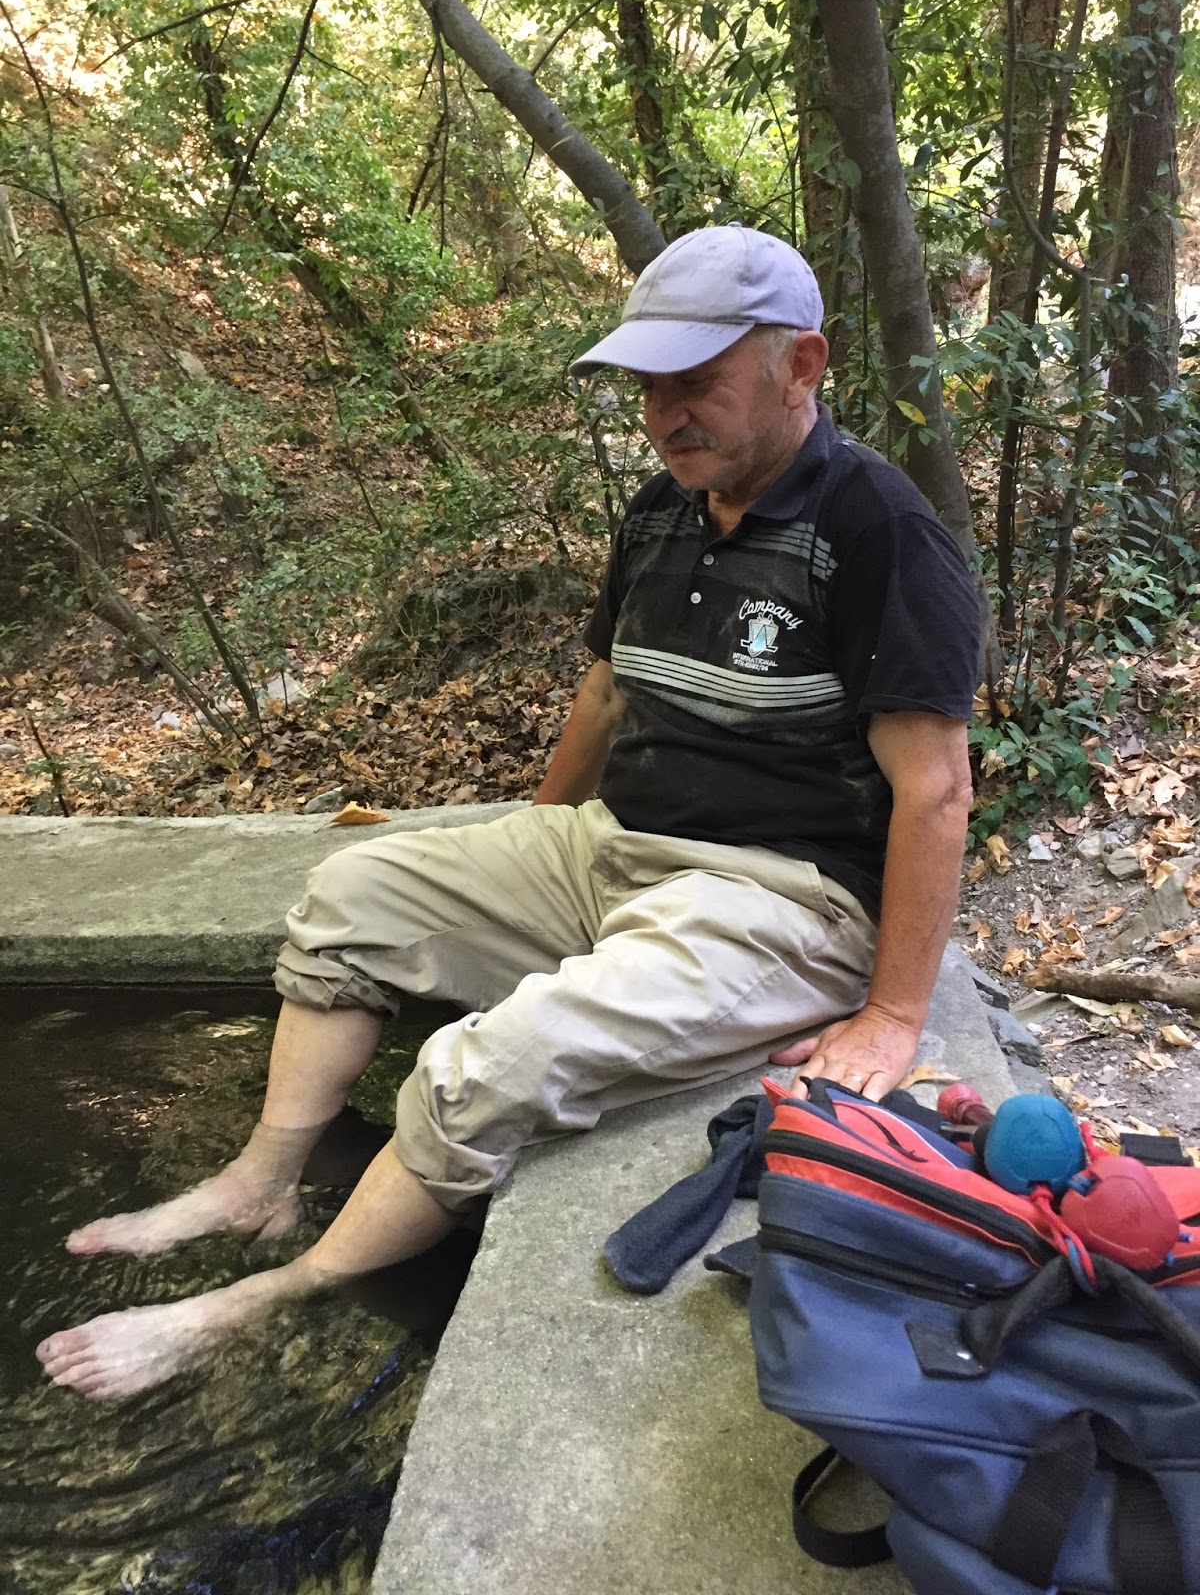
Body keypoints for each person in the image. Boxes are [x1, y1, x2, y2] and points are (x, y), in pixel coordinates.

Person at [37, 225, 979, 1401]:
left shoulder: (877, 531)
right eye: (649, 386)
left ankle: (266, 1295)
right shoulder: (665, 510)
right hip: (617, 847)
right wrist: (526, 845)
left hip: (779, 897)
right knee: (351, 893)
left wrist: (892, 1013)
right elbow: (608, 691)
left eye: (696, 380)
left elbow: (936, 787)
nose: (666, 414)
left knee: (488, 1066)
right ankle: (260, 1177)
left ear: (802, 364)